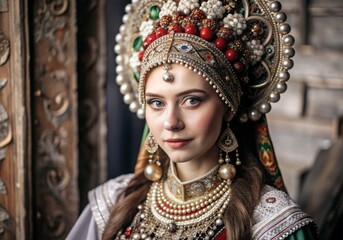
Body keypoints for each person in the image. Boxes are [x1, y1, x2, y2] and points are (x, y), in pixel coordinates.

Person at [67, 0, 318, 239]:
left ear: (228, 106)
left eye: (192, 100)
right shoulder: (113, 204)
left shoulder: (271, 223)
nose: (171, 122)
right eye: (157, 103)